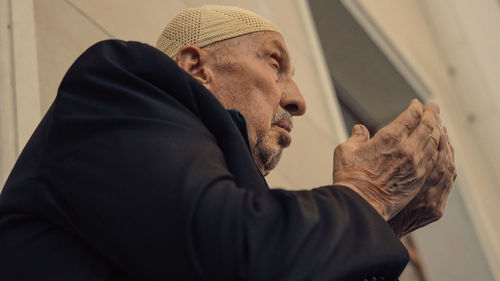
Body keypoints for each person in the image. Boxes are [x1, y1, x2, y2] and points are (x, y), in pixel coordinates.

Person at [0, 5, 456, 281]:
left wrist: (379, 230)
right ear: (196, 66)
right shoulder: (122, 84)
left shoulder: (235, 199)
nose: (297, 100)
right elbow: (237, 255)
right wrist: (367, 198)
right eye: (275, 63)